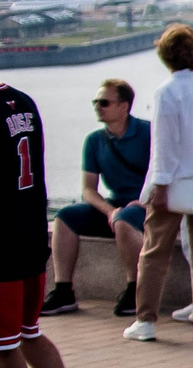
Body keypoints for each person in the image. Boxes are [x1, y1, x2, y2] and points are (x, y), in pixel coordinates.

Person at [2, 84, 101, 368]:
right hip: (29, 236)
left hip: (3, 249)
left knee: (4, 347)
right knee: (27, 333)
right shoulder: (21, 101)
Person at [126, 25, 193, 345]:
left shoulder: (166, 91)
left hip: (173, 182)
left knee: (154, 253)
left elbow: (164, 144)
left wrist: (160, 184)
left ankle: (146, 320)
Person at [40, 79, 148, 317]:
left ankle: (134, 289)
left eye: (104, 102)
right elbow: (88, 189)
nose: (98, 107)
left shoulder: (148, 133)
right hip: (117, 205)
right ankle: (63, 290)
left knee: (125, 220)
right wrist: (109, 210)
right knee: (66, 217)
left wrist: (145, 200)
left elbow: (165, 173)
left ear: (124, 106)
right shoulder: (94, 141)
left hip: (144, 205)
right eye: (96, 102)